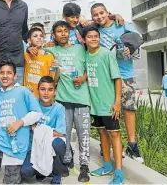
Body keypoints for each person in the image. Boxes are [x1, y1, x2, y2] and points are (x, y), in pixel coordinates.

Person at [90, 2, 144, 164]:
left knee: (128, 109)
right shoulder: (95, 29)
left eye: (102, 13)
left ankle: (132, 146)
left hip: (125, 74)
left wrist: (131, 49)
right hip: (106, 78)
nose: (99, 16)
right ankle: (107, 144)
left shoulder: (122, 24)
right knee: (108, 112)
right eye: (95, 14)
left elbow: (138, 38)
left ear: (108, 12)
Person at [0, 59, 42, 185]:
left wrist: (21, 122)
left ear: (15, 75)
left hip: (17, 143)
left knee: (10, 181)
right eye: (2, 73)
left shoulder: (23, 91)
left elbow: (37, 113)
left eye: (9, 73)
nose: (5, 76)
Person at [45, 21, 91, 182]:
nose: (63, 33)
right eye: (59, 31)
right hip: (62, 100)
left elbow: (89, 66)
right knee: (63, 133)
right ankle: (66, 160)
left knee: (83, 134)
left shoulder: (79, 48)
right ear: (54, 34)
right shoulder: (51, 50)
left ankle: (84, 166)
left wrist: (84, 77)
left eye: (66, 30)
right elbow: (36, 49)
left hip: (82, 99)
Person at [84, 27, 124, 185]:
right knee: (102, 134)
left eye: (96, 36)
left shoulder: (106, 54)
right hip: (95, 105)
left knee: (115, 135)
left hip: (109, 104)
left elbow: (117, 78)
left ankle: (119, 171)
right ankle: (107, 165)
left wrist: (117, 102)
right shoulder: (86, 55)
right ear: (84, 40)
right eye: (90, 36)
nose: (93, 39)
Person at [20, 76, 67, 184]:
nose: (46, 93)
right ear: (38, 90)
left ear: (55, 92)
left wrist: (38, 129)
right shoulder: (31, 105)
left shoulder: (59, 108)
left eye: (50, 90)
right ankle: (43, 172)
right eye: (42, 89)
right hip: (34, 146)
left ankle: (57, 172)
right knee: (25, 172)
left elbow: (61, 133)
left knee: (59, 143)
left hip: (50, 146)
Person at [24, 27, 58, 97]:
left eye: (41, 36)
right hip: (28, 93)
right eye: (35, 36)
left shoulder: (49, 56)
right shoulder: (26, 55)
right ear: (29, 40)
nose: (39, 38)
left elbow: (52, 77)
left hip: (43, 95)